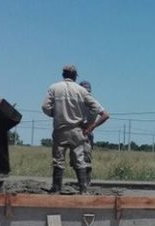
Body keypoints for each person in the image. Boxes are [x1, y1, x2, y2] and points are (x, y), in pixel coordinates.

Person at [41, 65, 108, 194]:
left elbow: (45, 107)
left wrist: (54, 114)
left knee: (58, 160)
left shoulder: (54, 88)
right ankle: (83, 190)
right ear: (75, 76)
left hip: (60, 129)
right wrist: (89, 124)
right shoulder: (81, 91)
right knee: (79, 159)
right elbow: (101, 111)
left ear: (63, 74)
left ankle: (56, 189)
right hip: (77, 130)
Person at [78, 80, 110, 167]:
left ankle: (84, 180)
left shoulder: (78, 102)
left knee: (83, 160)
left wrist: (92, 126)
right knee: (83, 160)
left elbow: (106, 115)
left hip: (83, 132)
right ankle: (84, 179)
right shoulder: (92, 101)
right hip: (85, 132)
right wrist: (93, 126)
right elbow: (105, 115)